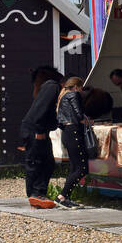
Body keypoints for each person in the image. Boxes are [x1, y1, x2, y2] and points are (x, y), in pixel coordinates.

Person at [20, 66, 63, 208]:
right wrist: (39, 130)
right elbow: (42, 109)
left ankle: (36, 194)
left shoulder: (47, 87)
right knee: (39, 161)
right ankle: (36, 194)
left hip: (36, 128)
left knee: (44, 161)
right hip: (36, 129)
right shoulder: (53, 87)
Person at [55, 76, 91, 209]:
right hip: (75, 133)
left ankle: (65, 197)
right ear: (76, 87)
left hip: (67, 133)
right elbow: (79, 114)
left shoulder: (62, 97)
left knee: (75, 167)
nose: (81, 91)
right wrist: (88, 121)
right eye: (81, 88)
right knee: (82, 168)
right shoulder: (73, 95)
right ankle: (62, 196)